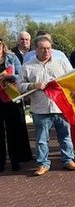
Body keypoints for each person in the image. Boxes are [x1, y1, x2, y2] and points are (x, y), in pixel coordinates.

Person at [18, 36, 75, 176]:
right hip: (40, 108)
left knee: (65, 136)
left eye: (48, 48)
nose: (46, 51)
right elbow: (19, 86)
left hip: (60, 107)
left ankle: (68, 160)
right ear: (35, 50)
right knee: (41, 139)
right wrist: (34, 85)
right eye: (42, 48)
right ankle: (42, 164)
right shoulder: (27, 66)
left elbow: (72, 79)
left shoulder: (61, 63)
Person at [0, 39, 32, 172]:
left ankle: (16, 160)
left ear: (2, 45)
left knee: (14, 131)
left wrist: (9, 76)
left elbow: (21, 76)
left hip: (12, 98)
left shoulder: (12, 57)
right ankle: (0, 162)